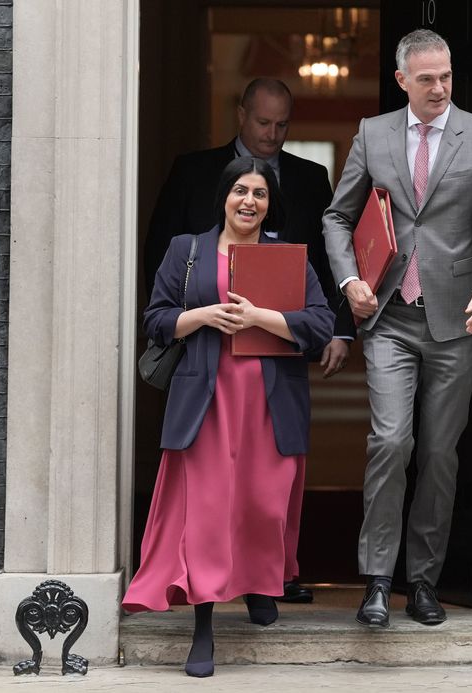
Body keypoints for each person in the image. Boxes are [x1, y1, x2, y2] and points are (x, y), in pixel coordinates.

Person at [322, 29, 472, 629]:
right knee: (390, 442)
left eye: (447, 76)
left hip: (456, 320)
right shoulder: (372, 134)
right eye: (427, 79)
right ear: (402, 80)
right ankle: (378, 580)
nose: (440, 88)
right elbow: (337, 216)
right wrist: (348, 280)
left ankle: (425, 581)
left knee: (438, 452)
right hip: (388, 318)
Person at [123, 157, 334, 678]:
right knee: (210, 515)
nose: (249, 201)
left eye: (260, 194)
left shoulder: (286, 258)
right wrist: (205, 316)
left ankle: (261, 585)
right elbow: (155, 318)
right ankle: (203, 627)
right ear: (224, 195)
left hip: (268, 402)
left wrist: (260, 317)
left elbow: (321, 324)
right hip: (206, 400)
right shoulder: (186, 249)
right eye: (241, 190)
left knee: (263, 505)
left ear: (269, 204)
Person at [145, 78, 351, 604]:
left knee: (266, 494)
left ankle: (265, 582)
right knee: (211, 500)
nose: (272, 134)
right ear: (241, 115)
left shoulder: (307, 185)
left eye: (283, 125)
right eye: (264, 122)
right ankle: (207, 606)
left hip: (273, 378)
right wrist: (202, 314)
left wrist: (301, 322)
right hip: (206, 379)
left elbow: (325, 273)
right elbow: (158, 299)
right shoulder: (191, 191)